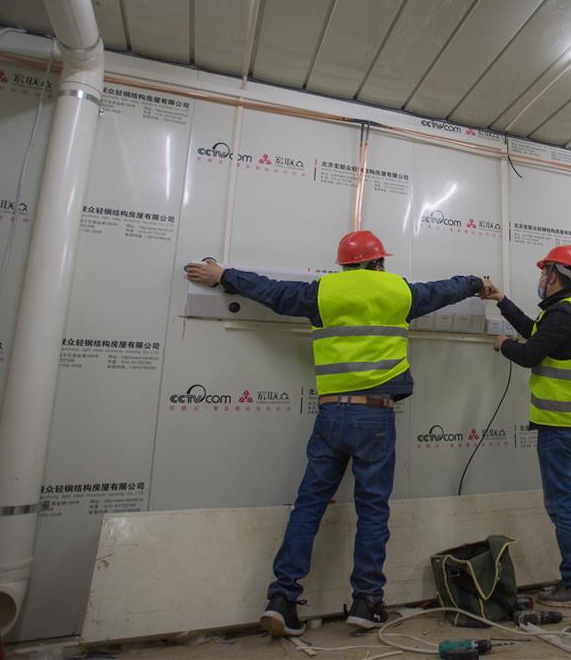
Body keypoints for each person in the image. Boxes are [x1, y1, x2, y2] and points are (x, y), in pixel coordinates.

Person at [185, 230, 491, 636]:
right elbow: (443, 290)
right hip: (376, 417)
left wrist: (224, 274)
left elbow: (271, 291)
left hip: (331, 416)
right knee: (372, 512)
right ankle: (367, 602)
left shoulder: (323, 292)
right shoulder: (399, 292)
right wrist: (476, 283)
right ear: (379, 262)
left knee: (309, 506)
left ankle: (282, 598)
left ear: (344, 263)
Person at [481, 245, 571, 609]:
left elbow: (530, 352)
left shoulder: (561, 316)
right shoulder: (569, 311)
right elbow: (537, 333)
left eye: (543, 273)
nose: (540, 279)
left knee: (565, 505)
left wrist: (504, 345)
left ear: (553, 276)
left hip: (561, 428)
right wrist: (502, 300)